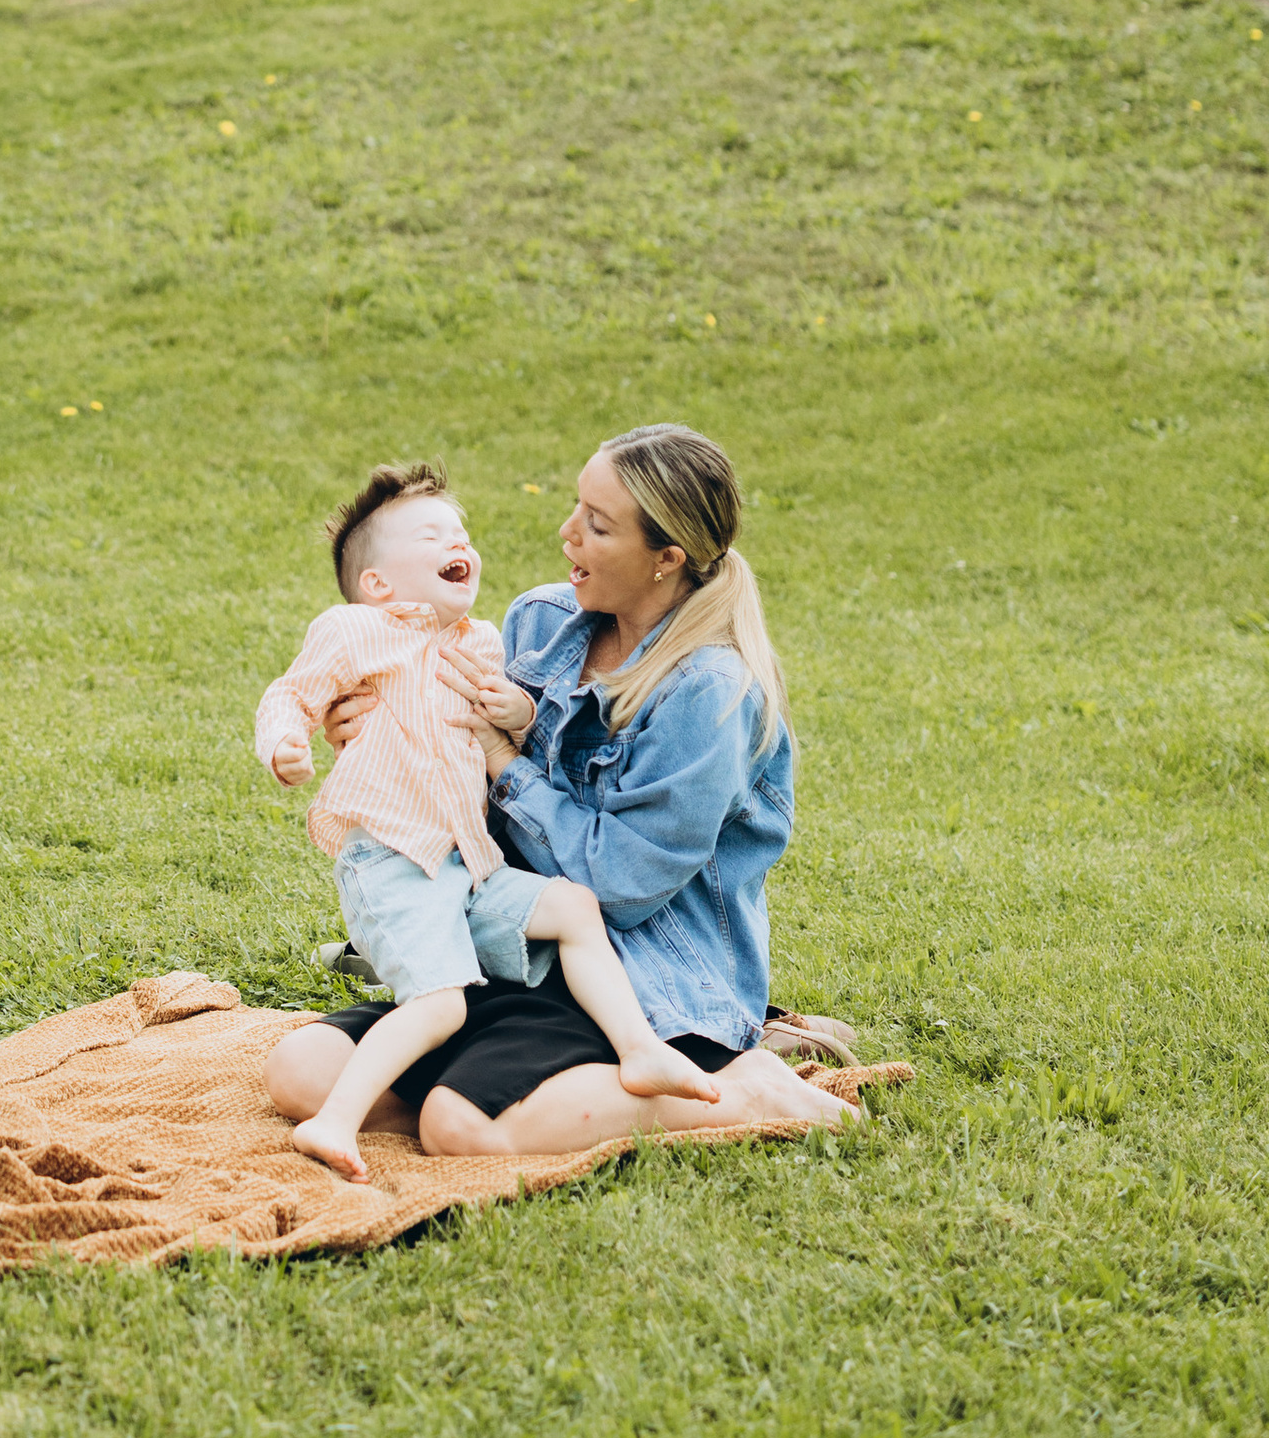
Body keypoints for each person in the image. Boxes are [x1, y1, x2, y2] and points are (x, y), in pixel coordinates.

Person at [262, 426, 859, 1153]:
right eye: (577, 507)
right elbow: (449, 756)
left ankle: (747, 1087)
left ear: (665, 559)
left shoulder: (709, 690)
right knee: (301, 1071)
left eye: (597, 526)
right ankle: (506, 1089)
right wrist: (377, 726)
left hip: (644, 980)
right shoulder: (539, 621)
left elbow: (625, 883)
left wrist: (503, 762)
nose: (566, 532)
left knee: (462, 1125)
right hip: (519, 942)